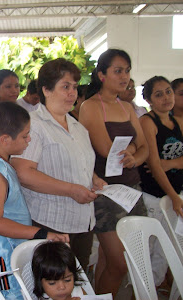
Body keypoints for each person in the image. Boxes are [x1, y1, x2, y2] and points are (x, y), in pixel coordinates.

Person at [11, 58, 106, 272]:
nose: (72, 93)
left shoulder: (77, 126)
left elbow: (81, 163)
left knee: (78, 282)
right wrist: (72, 190)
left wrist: (94, 179)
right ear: (46, 89)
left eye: (74, 87)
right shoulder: (33, 125)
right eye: (65, 87)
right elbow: (23, 173)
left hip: (82, 221)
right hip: (50, 221)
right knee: (54, 285)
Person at [0, 102, 68, 300]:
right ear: (5, 139)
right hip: (1, 265)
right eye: (25, 136)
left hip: (8, 255)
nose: (29, 140)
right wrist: (41, 233)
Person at [79, 49, 148, 296]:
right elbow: (107, 150)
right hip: (105, 192)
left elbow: (145, 149)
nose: (125, 76)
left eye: (127, 71)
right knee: (119, 263)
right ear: (102, 75)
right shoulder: (90, 106)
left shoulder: (127, 106)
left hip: (131, 188)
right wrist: (131, 150)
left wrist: (134, 155)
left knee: (111, 262)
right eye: (118, 71)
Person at [138, 76, 183, 288]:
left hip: (174, 193)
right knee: (149, 246)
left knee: (167, 248)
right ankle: (142, 289)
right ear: (149, 100)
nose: (166, 97)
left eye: (168, 91)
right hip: (154, 196)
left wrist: (172, 163)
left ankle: (154, 288)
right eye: (158, 94)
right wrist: (174, 197)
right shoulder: (148, 122)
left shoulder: (176, 122)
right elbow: (154, 165)